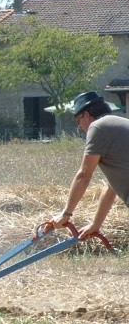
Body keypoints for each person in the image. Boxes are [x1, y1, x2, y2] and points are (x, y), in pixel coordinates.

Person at [51, 91, 129, 239]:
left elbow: (84, 175)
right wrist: (95, 225)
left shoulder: (97, 127)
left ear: (86, 115)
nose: (79, 126)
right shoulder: (119, 123)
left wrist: (66, 213)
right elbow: (111, 187)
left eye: (78, 120)